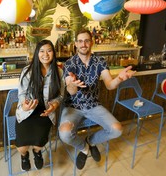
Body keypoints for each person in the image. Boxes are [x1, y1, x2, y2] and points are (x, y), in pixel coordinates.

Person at [59, 29, 135, 170]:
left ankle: (91, 141)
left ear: (91, 43)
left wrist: (119, 78)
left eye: (87, 40)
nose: (84, 44)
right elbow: (71, 91)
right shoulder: (69, 64)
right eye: (80, 41)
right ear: (76, 44)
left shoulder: (100, 61)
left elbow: (109, 85)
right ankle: (84, 147)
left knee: (117, 130)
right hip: (73, 107)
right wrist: (73, 85)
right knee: (64, 133)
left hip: (93, 105)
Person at [15, 39, 65, 171]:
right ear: (37, 53)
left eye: (49, 51)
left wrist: (54, 105)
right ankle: (24, 156)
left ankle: (37, 153)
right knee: (22, 147)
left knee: (39, 144)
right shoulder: (27, 71)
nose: (45, 54)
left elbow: (60, 96)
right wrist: (24, 105)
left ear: (53, 53)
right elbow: (21, 94)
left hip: (45, 113)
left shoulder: (59, 73)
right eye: (42, 51)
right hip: (27, 112)